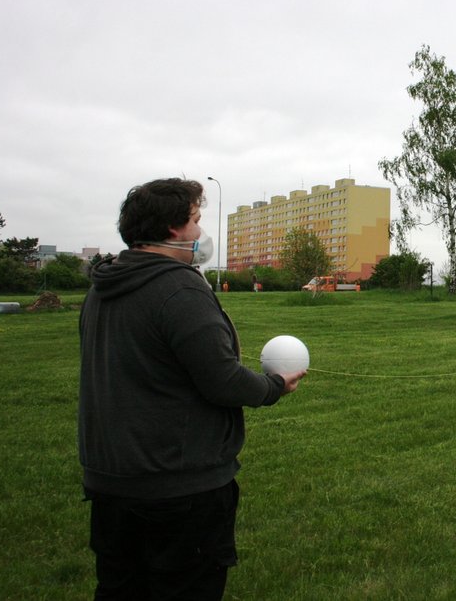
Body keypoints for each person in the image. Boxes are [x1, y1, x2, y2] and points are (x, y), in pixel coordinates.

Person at [78, 178, 307, 600]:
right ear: (172, 230)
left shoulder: (102, 288)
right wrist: (274, 386)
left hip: (112, 482)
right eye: (197, 221)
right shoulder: (180, 287)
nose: (202, 233)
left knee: (121, 589)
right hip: (177, 489)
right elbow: (222, 379)